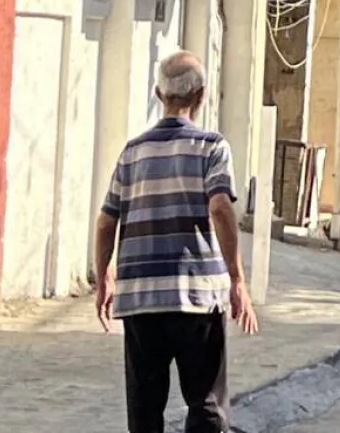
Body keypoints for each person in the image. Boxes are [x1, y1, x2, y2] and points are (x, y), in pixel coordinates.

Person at [94, 52, 258, 433]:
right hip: (196, 297)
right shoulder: (212, 148)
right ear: (201, 96)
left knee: (144, 410)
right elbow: (220, 207)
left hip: (141, 298)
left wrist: (103, 277)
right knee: (206, 404)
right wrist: (237, 279)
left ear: (158, 94)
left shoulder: (132, 152)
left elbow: (105, 221)